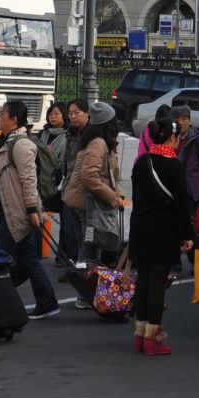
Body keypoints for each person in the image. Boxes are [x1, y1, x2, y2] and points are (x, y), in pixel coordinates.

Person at [0, 98, 61, 319]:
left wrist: (31, 211)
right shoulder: (6, 142)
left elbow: (29, 181)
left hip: (17, 214)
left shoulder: (22, 145)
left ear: (14, 119)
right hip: (10, 212)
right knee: (29, 260)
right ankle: (47, 302)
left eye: (1, 114)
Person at [128, 114, 193, 355]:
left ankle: (139, 334)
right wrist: (187, 234)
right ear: (172, 137)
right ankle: (152, 338)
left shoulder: (141, 162)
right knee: (157, 285)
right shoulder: (174, 165)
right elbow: (181, 205)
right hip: (162, 230)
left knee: (142, 283)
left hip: (139, 228)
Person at [64, 102, 125, 305]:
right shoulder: (99, 143)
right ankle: (85, 295)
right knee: (89, 249)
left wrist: (117, 192)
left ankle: (90, 294)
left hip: (87, 204)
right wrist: (111, 196)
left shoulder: (99, 141)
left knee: (90, 247)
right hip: (86, 206)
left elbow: (105, 174)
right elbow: (89, 176)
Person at [55, 99, 90, 264]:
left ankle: (83, 264)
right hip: (69, 185)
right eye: (70, 113)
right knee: (70, 229)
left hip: (85, 189)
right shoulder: (71, 133)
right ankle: (72, 263)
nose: (73, 117)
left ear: (87, 113)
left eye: (77, 113)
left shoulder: (92, 135)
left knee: (85, 232)